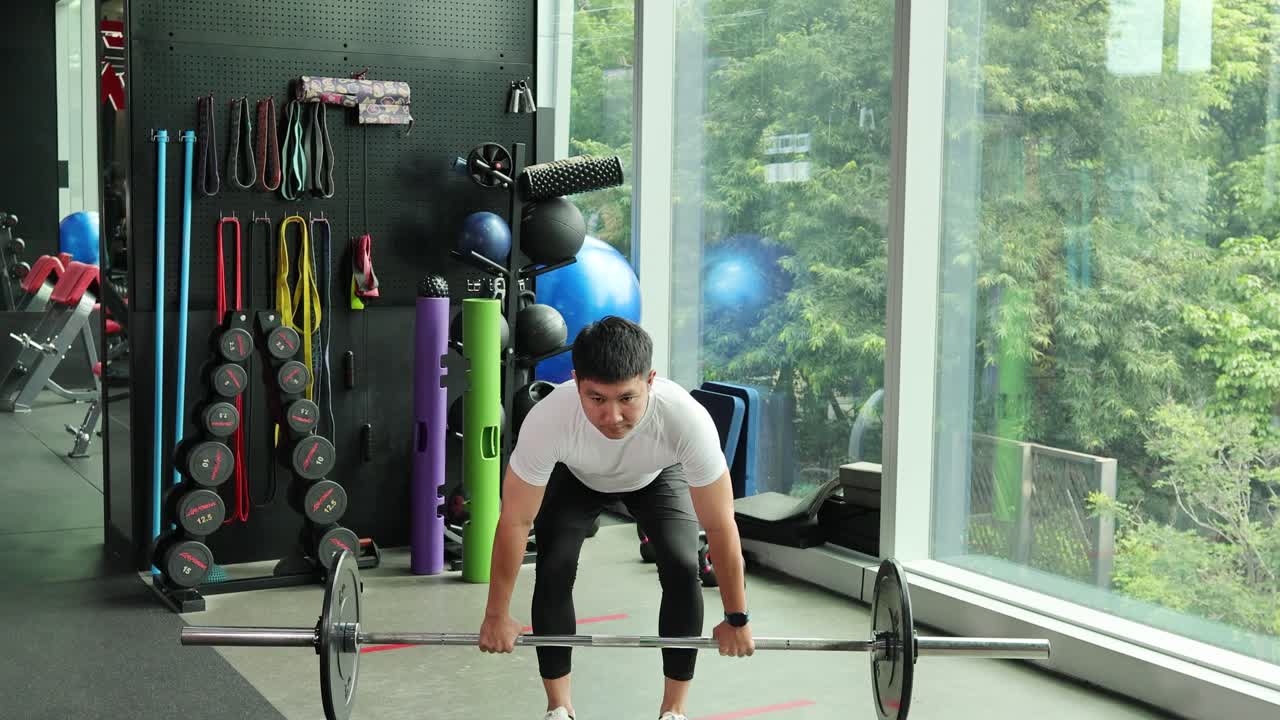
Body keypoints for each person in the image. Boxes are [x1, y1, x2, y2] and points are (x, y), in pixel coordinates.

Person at [477, 316, 754, 720]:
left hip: (657, 477)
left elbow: (720, 526)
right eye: (596, 399)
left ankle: (673, 711)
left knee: (681, 564)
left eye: (627, 398)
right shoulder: (549, 419)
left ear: (650, 380)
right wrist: (496, 615)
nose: (613, 416)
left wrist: (737, 617)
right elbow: (516, 521)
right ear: (576, 382)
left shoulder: (686, 419)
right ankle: (559, 708)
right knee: (553, 566)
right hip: (575, 478)